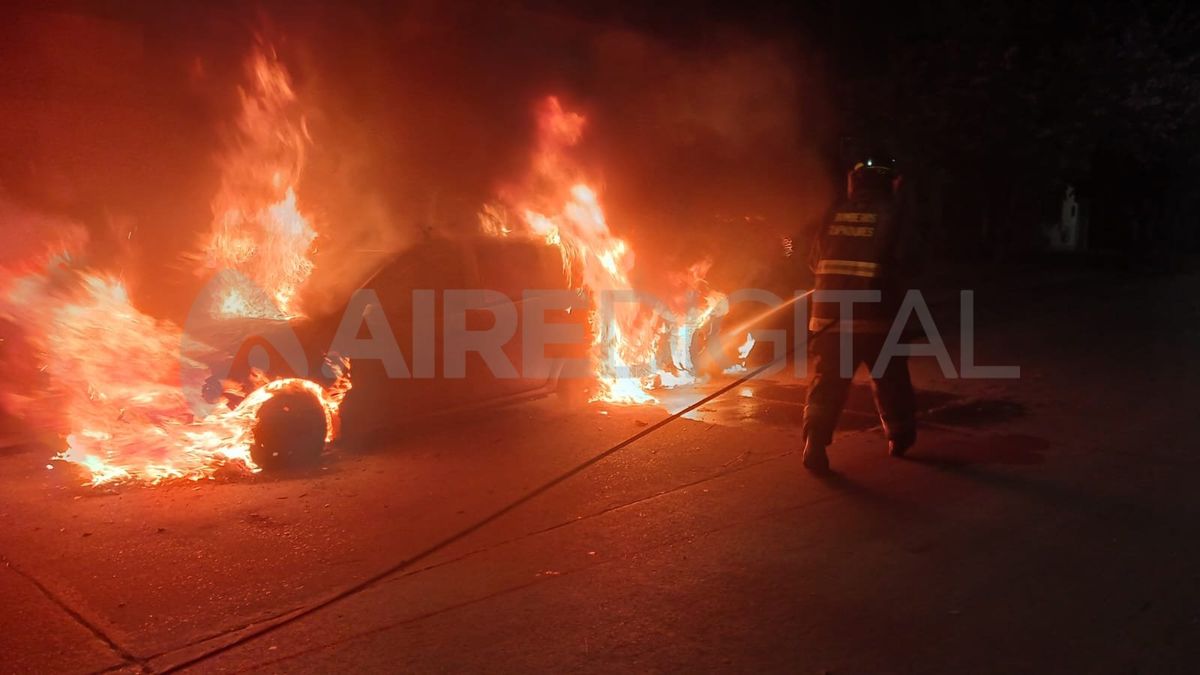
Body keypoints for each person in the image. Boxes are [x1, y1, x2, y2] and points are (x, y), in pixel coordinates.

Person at [801, 154, 917, 472]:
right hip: (877, 318)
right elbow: (909, 262)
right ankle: (899, 436)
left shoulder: (832, 214)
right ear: (890, 183)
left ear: (855, 182)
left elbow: (813, 262)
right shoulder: (894, 215)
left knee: (828, 382)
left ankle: (815, 441)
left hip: (827, 318)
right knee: (890, 377)